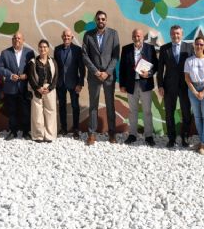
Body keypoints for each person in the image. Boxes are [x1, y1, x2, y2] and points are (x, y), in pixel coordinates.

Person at [82, 10, 120, 145]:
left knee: (110, 105)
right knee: (93, 105)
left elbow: (116, 56)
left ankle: (112, 133)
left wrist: (107, 72)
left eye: (103, 19)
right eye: (98, 19)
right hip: (94, 76)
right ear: (95, 20)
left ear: (106, 20)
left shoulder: (113, 34)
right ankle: (91, 134)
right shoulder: (88, 35)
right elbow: (85, 56)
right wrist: (96, 72)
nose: (101, 21)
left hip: (108, 76)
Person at [157, 25, 194, 148]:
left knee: (186, 113)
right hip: (169, 86)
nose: (175, 36)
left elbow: (193, 67)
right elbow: (160, 69)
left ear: (181, 34)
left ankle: (185, 137)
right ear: (170, 34)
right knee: (169, 113)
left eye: (177, 33)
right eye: (173, 33)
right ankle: (171, 139)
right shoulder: (164, 48)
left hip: (185, 86)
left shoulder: (189, 48)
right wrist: (160, 86)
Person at [119, 29, 158, 146]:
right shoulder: (126, 49)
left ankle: (149, 136)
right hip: (131, 85)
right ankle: (132, 135)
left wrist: (149, 74)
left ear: (143, 37)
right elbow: (122, 69)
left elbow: (156, 65)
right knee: (132, 111)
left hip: (145, 84)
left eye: (139, 36)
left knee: (147, 111)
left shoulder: (150, 49)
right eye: (135, 36)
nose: (137, 38)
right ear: (132, 37)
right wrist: (122, 84)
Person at [0, 32, 35, 140]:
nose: (16, 40)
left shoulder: (29, 52)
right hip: (11, 87)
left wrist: (27, 75)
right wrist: (10, 75)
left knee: (25, 111)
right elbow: (1, 68)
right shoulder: (5, 53)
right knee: (12, 111)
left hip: (24, 87)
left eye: (19, 38)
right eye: (14, 38)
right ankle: (13, 132)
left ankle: (25, 132)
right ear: (12, 40)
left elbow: (32, 68)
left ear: (23, 40)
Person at [184, 37, 204, 155]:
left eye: (201, 44)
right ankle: (202, 142)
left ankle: (203, 143)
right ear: (194, 45)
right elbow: (187, 78)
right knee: (197, 117)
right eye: (197, 44)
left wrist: (203, 92)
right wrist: (195, 92)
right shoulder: (189, 60)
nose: (199, 46)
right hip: (193, 89)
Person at [54, 29, 85, 139]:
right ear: (62, 37)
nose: (66, 38)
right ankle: (63, 128)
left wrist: (80, 83)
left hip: (74, 83)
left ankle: (76, 129)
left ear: (72, 37)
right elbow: (56, 67)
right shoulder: (57, 49)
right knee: (62, 106)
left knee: (75, 106)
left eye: (68, 36)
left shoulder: (77, 50)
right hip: (60, 83)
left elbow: (82, 68)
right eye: (65, 36)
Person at [27, 39, 59, 143]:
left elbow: (56, 76)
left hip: (50, 89)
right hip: (37, 89)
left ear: (48, 49)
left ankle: (49, 135)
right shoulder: (33, 62)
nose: (43, 49)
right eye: (41, 47)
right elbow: (31, 77)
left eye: (45, 47)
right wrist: (38, 88)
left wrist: (50, 88)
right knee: (37, 113)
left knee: (50, 112)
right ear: (38, 48)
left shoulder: (53, 61)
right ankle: (38, 135)